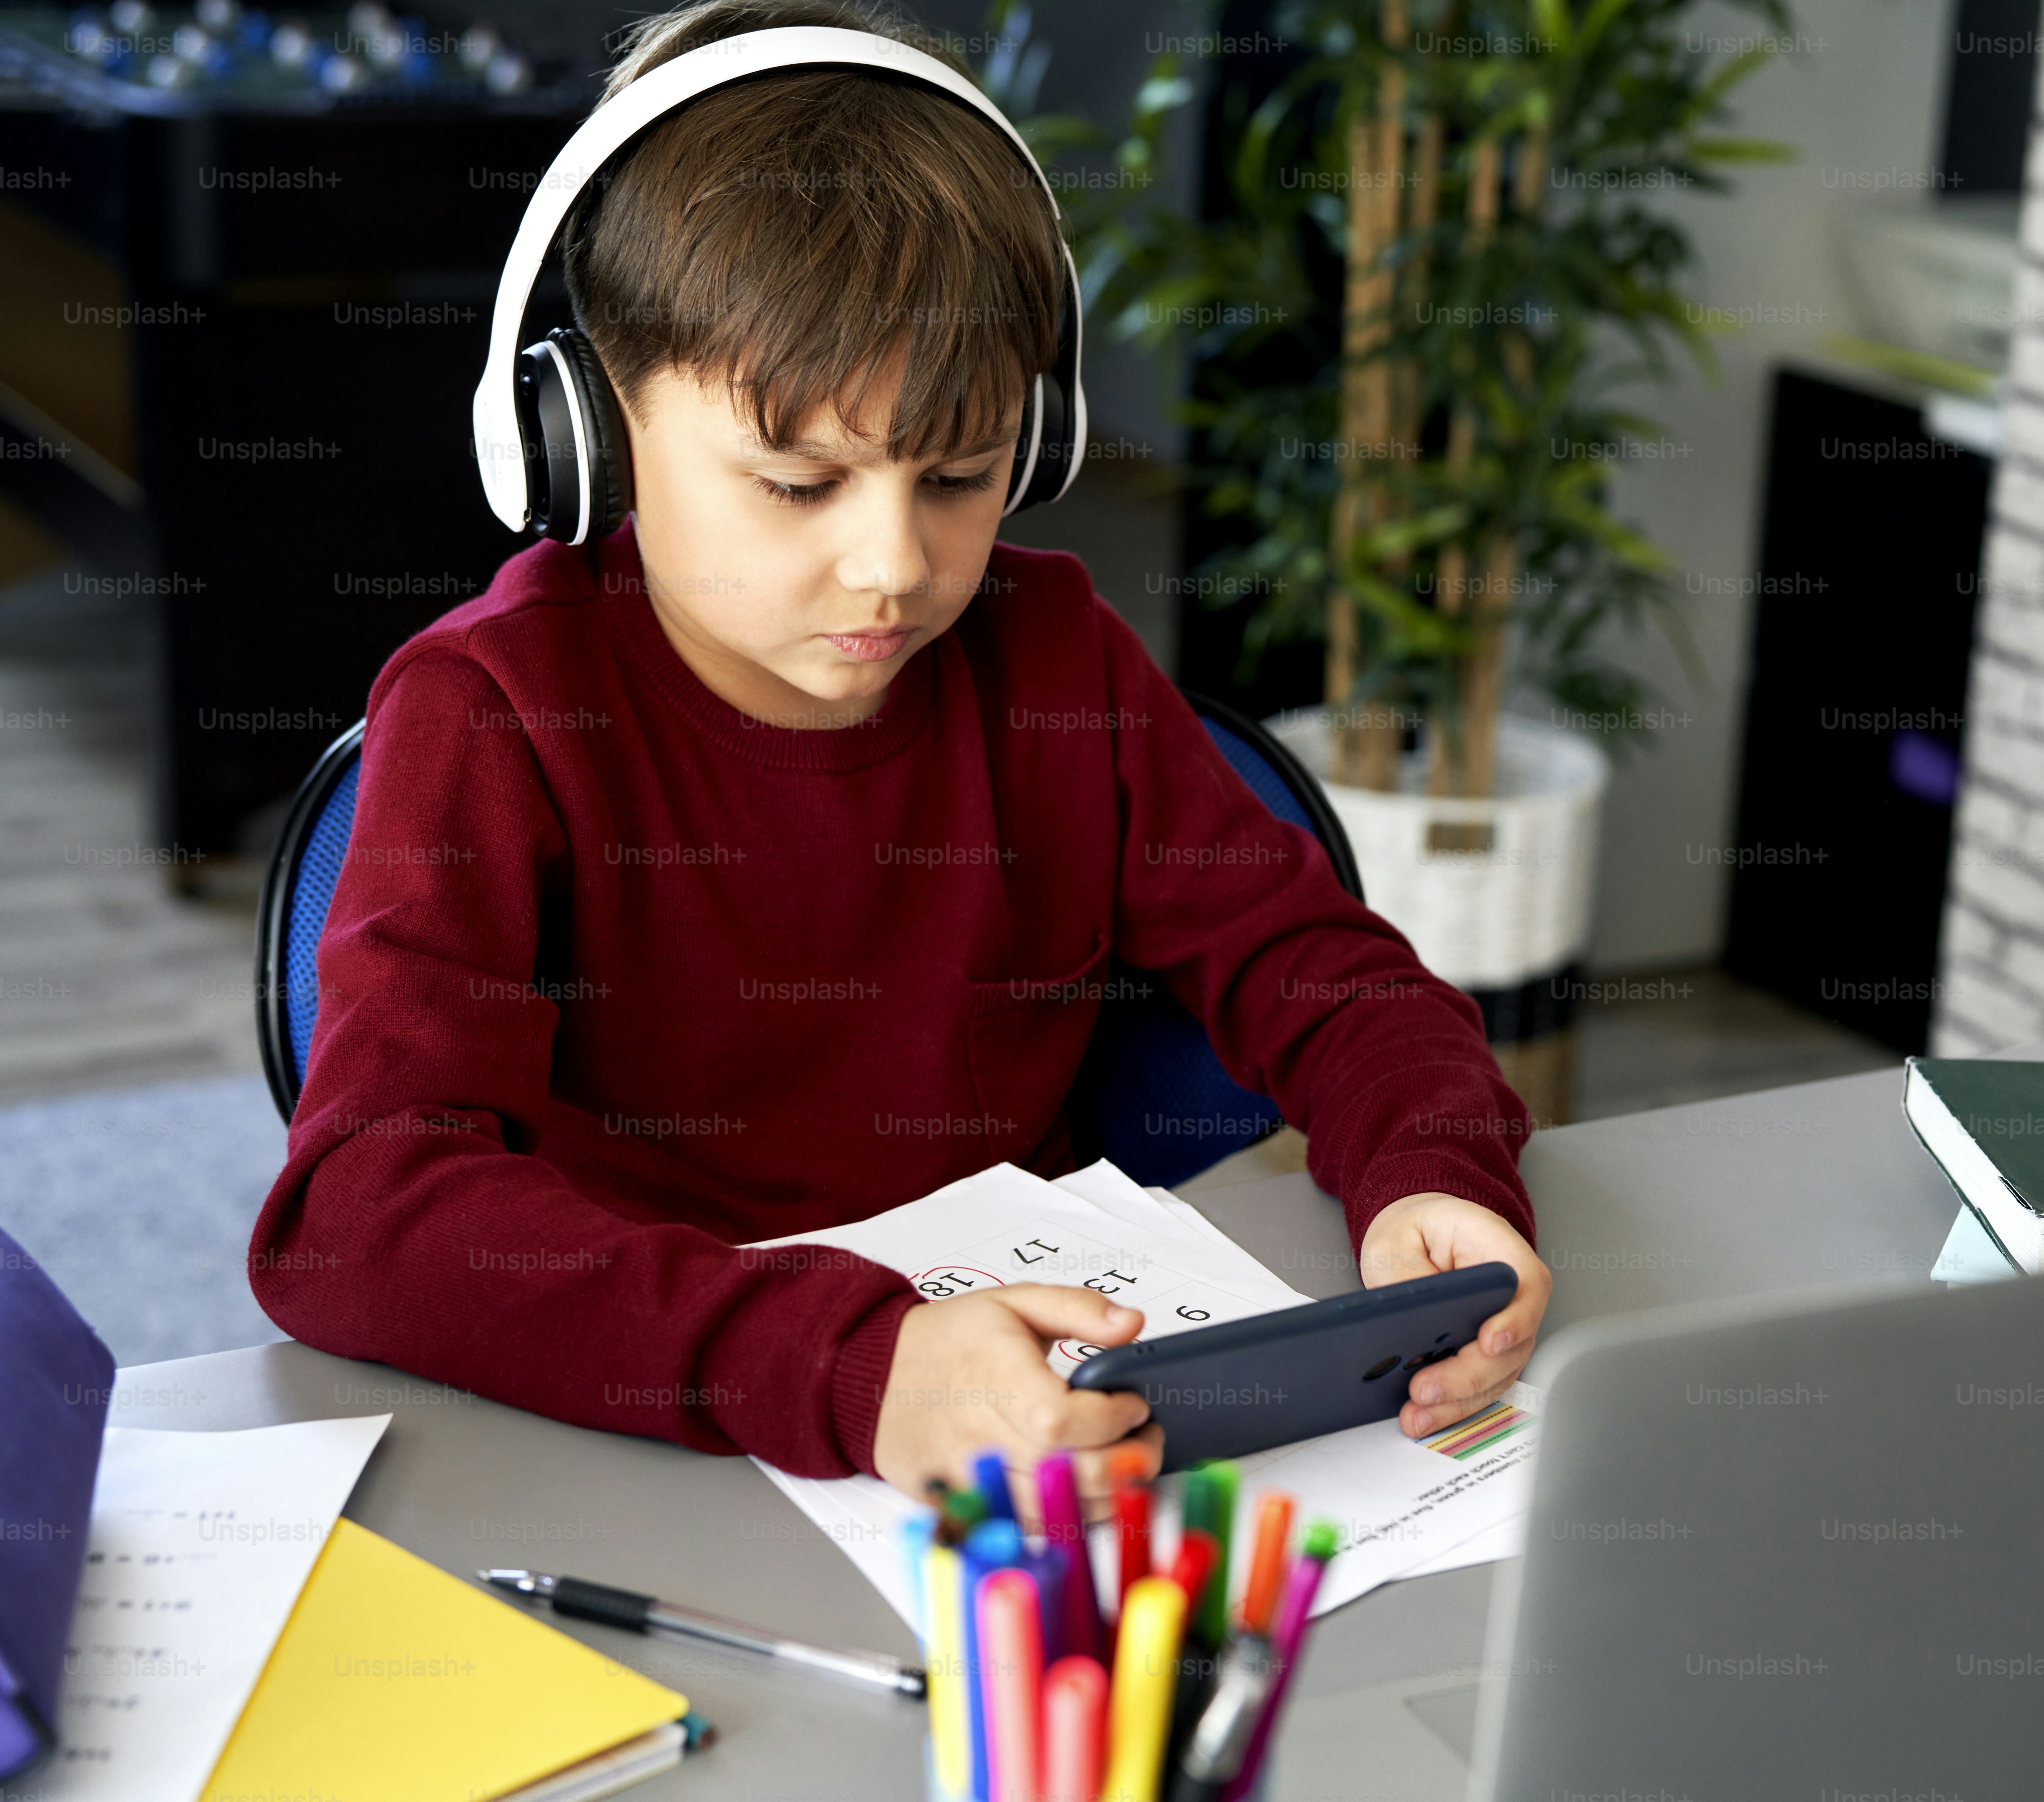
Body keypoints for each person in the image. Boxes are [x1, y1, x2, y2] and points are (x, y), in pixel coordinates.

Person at [251, 0, 1549, 1499]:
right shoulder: (496, 717)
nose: (893, 564)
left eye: (959, 472)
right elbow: (354, 1219)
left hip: (1043, 1423)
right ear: (586, 428)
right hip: (656, 1432)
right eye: (799, 483)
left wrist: (1435, 1172)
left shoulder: (1054, 660)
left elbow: (1329, 976)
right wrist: (843, 1363)